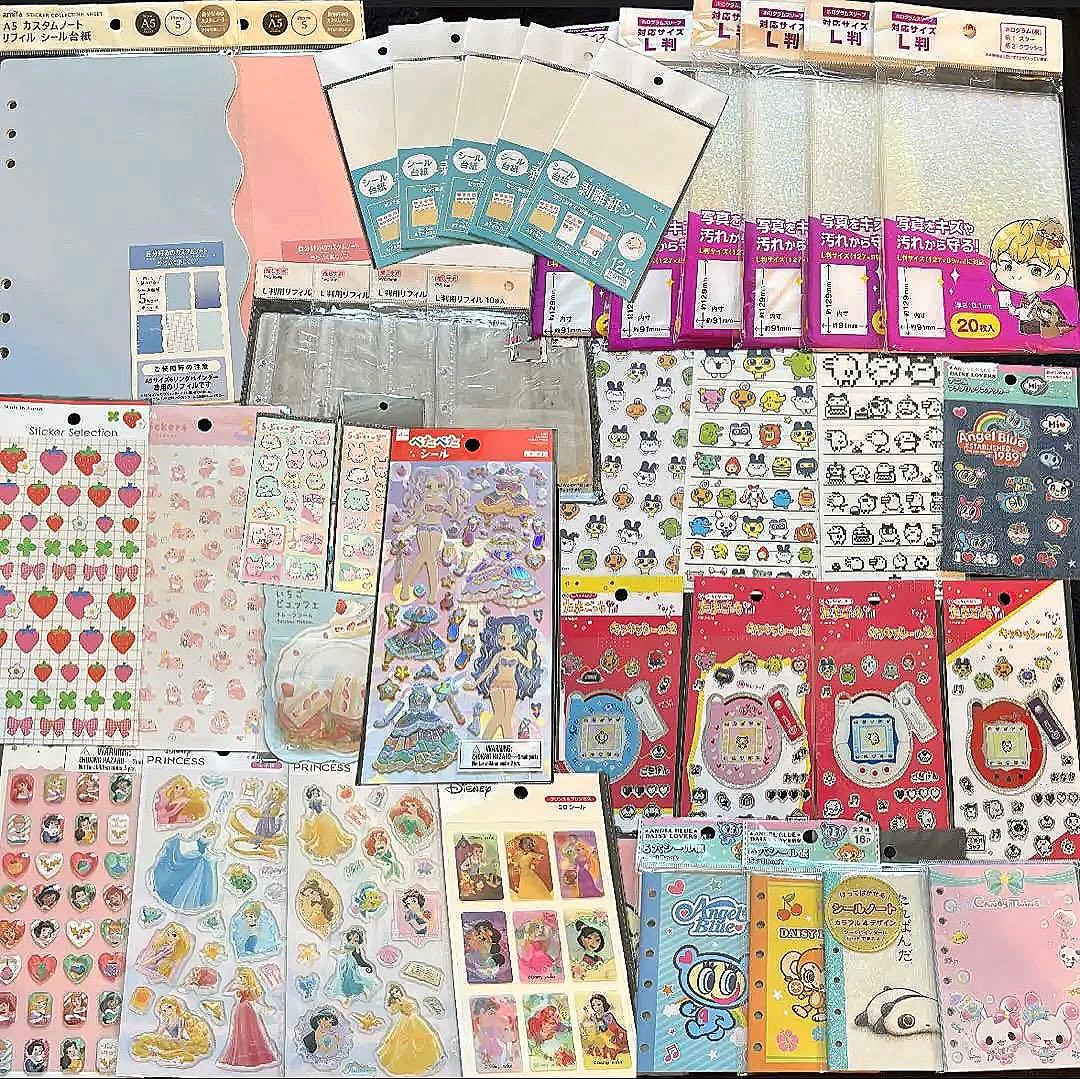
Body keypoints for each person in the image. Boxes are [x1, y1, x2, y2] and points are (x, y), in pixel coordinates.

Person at [990, 217, 1075, 337]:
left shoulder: (1042, 304)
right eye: (1008, 266)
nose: (1018, 276)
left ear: (1057, 276)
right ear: (994, 267)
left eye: (1036, 270)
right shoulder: (1026, 301)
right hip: (1025, 327)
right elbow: (1020, 312)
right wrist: (1010, 307)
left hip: (1037, 327)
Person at [469, 615, 544, 740]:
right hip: (496, 684)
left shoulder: (516, 654)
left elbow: (529, 665)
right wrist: (474, 684)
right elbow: (488, 670)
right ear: (499, 639)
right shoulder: (499, 654)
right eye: (503, 637)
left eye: (512, 637)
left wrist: (530, 650)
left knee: (507, 718)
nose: (508, 640)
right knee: (499, 715)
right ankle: (485, 742)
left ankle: (507, 745)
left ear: (516, 638)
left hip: (511, 685)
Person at [376, 984, 445, 1076]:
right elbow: (393, 1011)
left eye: (397, 991)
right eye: (393, 993)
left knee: (424, 1037)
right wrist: (392, 1003)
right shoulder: (397, 1002)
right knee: (402, 1042)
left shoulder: (407, 1000)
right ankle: (406, 1064)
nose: (396, 994)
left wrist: (406, 1008)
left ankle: (428, 1059)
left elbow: (415, 1008)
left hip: (414, 1020)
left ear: (400, 991)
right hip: (404, 1021)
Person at [150, 824, 220, 912]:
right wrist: (180, 838)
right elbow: (189, 839)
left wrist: (217, 856)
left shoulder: (210, 840)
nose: (209, 834)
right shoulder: (198, 835)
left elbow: (209, 851)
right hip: (194, 857)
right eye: (208, 831)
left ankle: (193, 902)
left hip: (200, 861)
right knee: (183, 875)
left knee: (197, 882)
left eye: (212, 833)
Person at [217, 967, 278, 1069]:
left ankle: (256, 1056)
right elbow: (225, 992)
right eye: (239, 977)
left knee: (253, 1033)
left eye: (243, 977)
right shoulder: (237, 988)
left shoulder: (253, 989)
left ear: (248, 978)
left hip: (250, 1013)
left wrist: (265, 1008)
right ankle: (240, 1055)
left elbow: (259, 1001)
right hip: (239, 1013)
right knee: (239, 1033)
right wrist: (233, 982)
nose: (241, 979)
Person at [297, 786, 354, 864]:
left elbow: (326, 807)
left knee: (334, 831)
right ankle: (328, 852)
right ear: (311, 794)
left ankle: (333, 850)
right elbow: (310, 812)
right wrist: (306, 818)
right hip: (319, 819)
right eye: (313, 793)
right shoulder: (311, 802)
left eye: (316, 793)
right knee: (321, 836)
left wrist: (326, 805)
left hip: (326, 816)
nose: (315, 794)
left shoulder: (321, 800)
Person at [329, 927, 378, 1002]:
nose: (353, 938)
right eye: (352, 936)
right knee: (343, 977)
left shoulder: (356, 945)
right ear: (349, 936)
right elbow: (342, 952)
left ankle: (357, 991)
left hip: (352, 963)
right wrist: (334, 952)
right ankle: (347, 994)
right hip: (344, 962)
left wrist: (357, 946)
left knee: (352, 977)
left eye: (356, 937)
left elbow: (358, 952)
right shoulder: (346, 944)